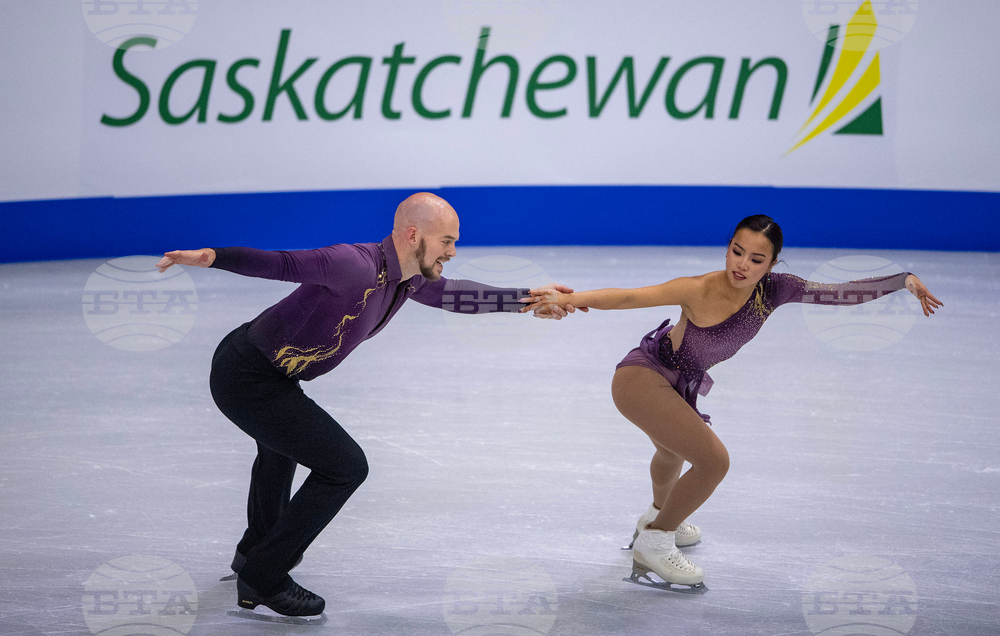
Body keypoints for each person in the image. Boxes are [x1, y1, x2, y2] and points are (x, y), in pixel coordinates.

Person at [156, 193, 575, 618]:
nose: (452, 252)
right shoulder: (351, 264)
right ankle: (263, 575)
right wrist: (212, 257)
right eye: (447, 241)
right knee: (344, 467)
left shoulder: (408, 278)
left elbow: (452, 295)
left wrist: (529, 299)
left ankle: (253, 554)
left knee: (280, 451)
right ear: (413, 235)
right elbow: (280, 263)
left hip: (274, 375)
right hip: (245, 376)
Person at [518, 214, 942, 591]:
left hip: (678, 383)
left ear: (772, 265)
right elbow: (631, 296)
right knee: (713, 461)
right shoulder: (698, 289)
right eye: (736, 252)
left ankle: (657, 514)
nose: (742, 265)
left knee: (671, 452)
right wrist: (567, 299)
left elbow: (836, 294)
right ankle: (655, 540)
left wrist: (901, 281)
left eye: (756, 260)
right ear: (727, 249)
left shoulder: (776, 290)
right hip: (642, 378)